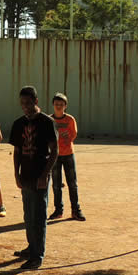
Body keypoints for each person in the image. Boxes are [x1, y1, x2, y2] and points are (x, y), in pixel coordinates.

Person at [9, 85, 59, 270]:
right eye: (22, 103)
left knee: (38, 216)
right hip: (26, 175)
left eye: (28, 103)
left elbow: (55, 150)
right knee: (28, 215)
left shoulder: (46, 122)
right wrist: (16, 174)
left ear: (36, 101)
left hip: (40, 176)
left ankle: (37, 256)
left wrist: (45, 175)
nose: (25, 107)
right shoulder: (18, 123)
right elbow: (17, 151)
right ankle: (31, 247)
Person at [49, 92, 85, 221]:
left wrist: (65, 138)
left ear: (65, 106)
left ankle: (76, 210)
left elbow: (73, 135)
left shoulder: (70, 120)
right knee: (56, 184)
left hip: (68, 154)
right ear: (53, 105)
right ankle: (58, 210)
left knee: (72, 183)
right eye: (56, 104)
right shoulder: (49, 120)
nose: (59, 106)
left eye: (61, 104)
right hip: (55, 156)